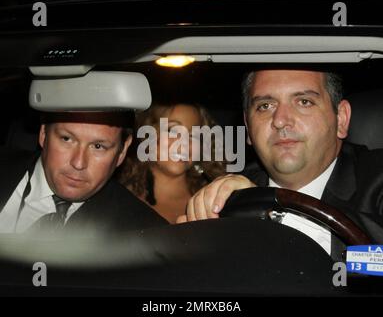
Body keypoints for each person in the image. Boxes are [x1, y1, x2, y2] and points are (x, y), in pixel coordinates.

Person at [177, 69, 383, 257]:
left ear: (342, 119)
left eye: (304, 102)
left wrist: (270, 215)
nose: (280, 120)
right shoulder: (227, 196)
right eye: (265, 106)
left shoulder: (376, 176)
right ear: (248, 128)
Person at [0, 111, 167, 235]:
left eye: (98, 146)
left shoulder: (146, 232)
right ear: (43, 133)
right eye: (67, 139)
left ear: (122, 151)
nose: (78, 163)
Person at [118, 102, 226, 224]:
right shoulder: (119, 197)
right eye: (172, 131)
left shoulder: (215, 198)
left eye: (193, 135)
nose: (183, 142)